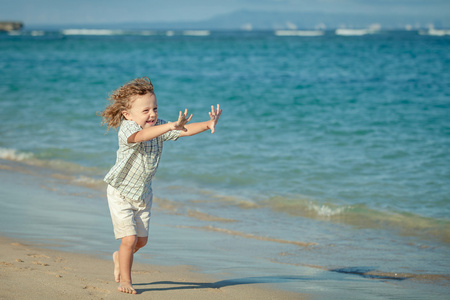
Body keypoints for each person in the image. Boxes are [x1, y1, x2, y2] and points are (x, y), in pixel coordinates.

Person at [100, 77, 222, 294]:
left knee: (141, 241)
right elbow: (142, 136)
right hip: (120, 192)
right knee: (129, 238)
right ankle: (126, 281)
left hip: (143, 193)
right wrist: (168, 126)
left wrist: (207, 124)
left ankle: (120, 256)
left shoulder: (159, 126)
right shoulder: (128, 129)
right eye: (145, 110)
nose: (152, 114)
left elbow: (182, 130)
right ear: (128, 114)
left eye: (154, 108)